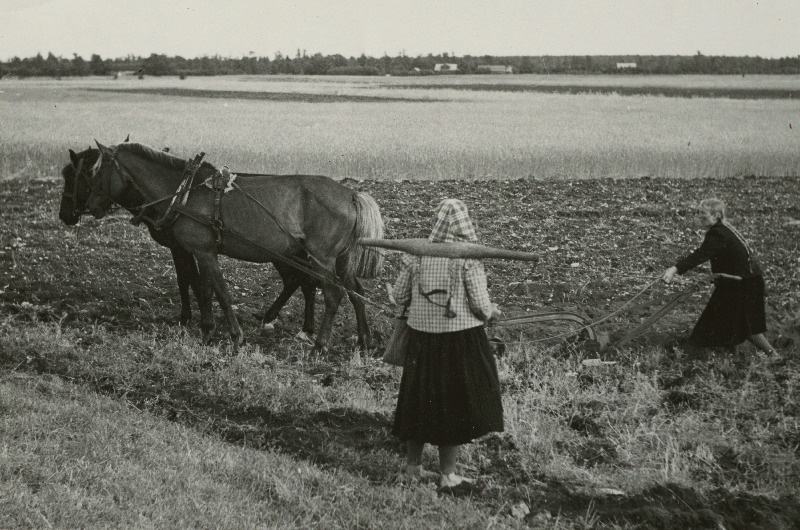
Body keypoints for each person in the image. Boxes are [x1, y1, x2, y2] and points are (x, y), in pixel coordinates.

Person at [391, 199, 504, 488]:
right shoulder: (469, 258)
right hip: (459, 340)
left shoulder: (416, 254)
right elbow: (480, 306)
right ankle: (448, 475)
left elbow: (400, 296)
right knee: (454, 403)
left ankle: (413, 469)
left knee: (417, 399)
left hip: (421, 339)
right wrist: (492, 312)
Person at [661, 198, 776, 358]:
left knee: (745, 325)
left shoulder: (717, 234)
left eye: (703, 214)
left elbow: (700, 255)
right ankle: (733, 357)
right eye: (698, 213)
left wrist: (674, 269)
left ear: (716, 216)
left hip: (743, 284)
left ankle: (774, 356)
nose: (699, 217)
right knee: (731, 321)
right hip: (743, 281)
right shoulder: (724, 229)